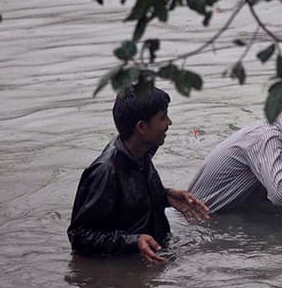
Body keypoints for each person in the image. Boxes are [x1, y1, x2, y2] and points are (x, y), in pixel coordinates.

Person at [68, 85, 210, 264]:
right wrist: (133, 242)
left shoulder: (142, 152)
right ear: (142, 127)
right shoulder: (105, 171)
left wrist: (165, 196)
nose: (169, 123)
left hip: (152, 258)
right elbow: (79, 237)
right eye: (163, 117)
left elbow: (131, 199)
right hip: (122, 268)